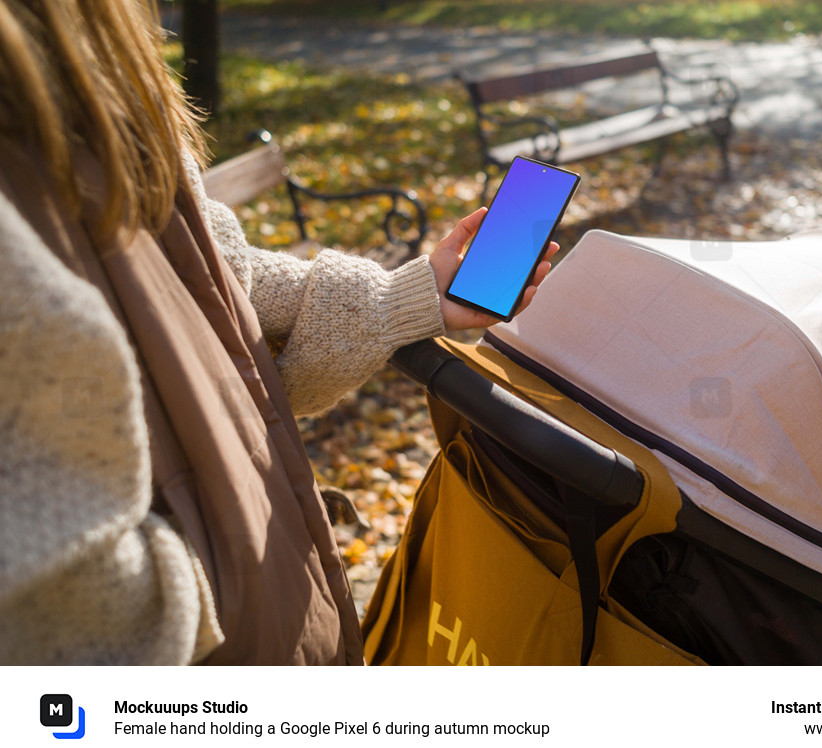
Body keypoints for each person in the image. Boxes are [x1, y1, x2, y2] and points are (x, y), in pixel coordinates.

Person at [0, 0, 556, 664]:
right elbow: (49, 597)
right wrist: (218, 560)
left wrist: (403, 297)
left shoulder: (91, 76)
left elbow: (212, 275)